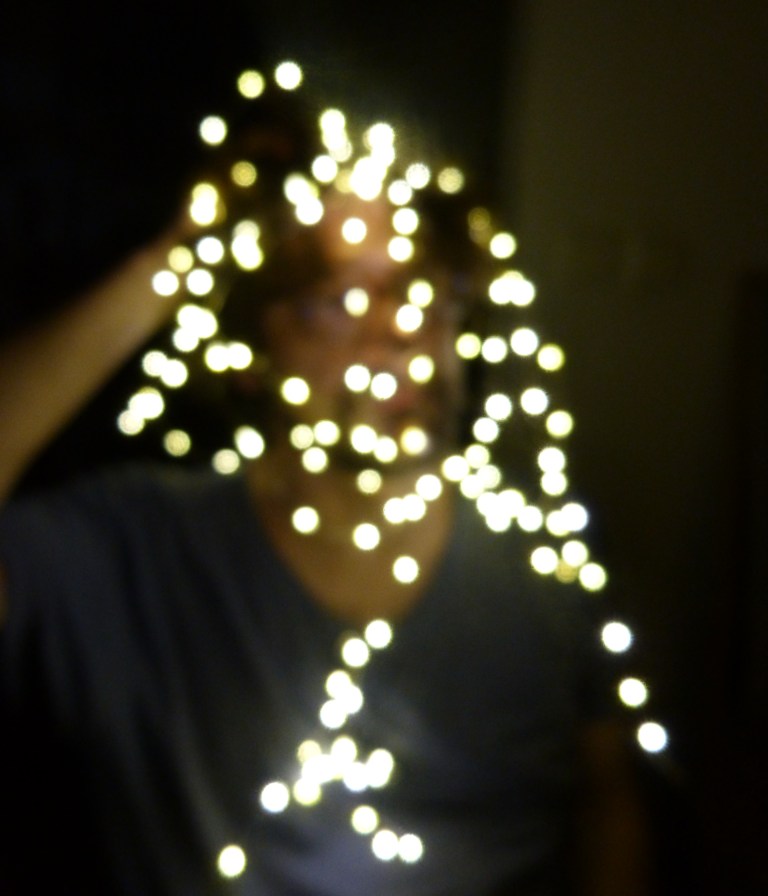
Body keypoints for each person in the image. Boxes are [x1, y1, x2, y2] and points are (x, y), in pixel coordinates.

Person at [0, 64, 651, 895]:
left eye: (421, 290)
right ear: (252, 351)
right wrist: (172, 266)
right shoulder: (136, 550)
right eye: (337, 302)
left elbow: (608, 797)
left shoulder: (544, 555)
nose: (396, 330)